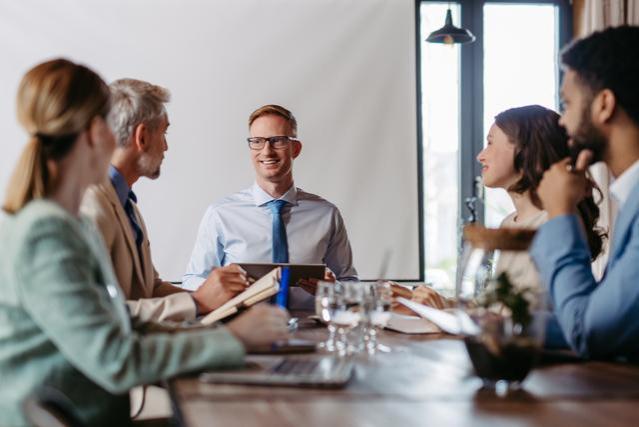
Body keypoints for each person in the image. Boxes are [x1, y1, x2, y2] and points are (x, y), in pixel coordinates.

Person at [0, 58, 289, 426]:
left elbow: (118, 320)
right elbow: (115, 359)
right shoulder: (46, 234)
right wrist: (231, 339)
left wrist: (219, 330)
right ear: (94, 132)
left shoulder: (70, 224)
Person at [406, 105, 605, 310]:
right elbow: (498, 307)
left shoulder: (554, 223)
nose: (480, 156)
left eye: (490, 143)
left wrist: (444, 310)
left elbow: (522, 317)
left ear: (525, 149)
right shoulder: (510, 222)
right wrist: (433, 302)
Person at [81, 78, 245, 322]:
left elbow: (151, 288)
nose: (166, 146)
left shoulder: (128, 205)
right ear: (143, 137)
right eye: (164, 131)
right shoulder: (91, 205)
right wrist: (198, 302)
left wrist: (215, 300)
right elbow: (95, 314)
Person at [531, 25, 639, 361]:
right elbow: (599, 316)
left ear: (604, 104)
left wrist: (561, 213)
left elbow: (590, 331)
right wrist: (508, 323)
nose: (562, 121)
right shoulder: (629, 197)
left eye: (567, 103)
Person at [183, 104, 358, 306]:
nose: (267, 151)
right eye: (257, 141)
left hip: (310, 330)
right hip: (243, 329)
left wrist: (333, 290)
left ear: (296, 148)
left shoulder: (326, 214)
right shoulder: (221, 214)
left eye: (278, 141)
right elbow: (192, 281)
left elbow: (349, 282)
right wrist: (222, 288)